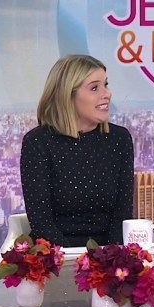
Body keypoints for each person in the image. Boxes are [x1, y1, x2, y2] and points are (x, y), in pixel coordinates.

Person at [20, 54, 134, 247]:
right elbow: (41, 222)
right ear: (68, 95)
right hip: (55, 254)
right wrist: (74, 259)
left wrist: (110, 257)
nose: (107, 94)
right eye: (94, 88)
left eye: (106, 85)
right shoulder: (38, 142)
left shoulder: (119, 139)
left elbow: (122, 214)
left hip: (108, 253)